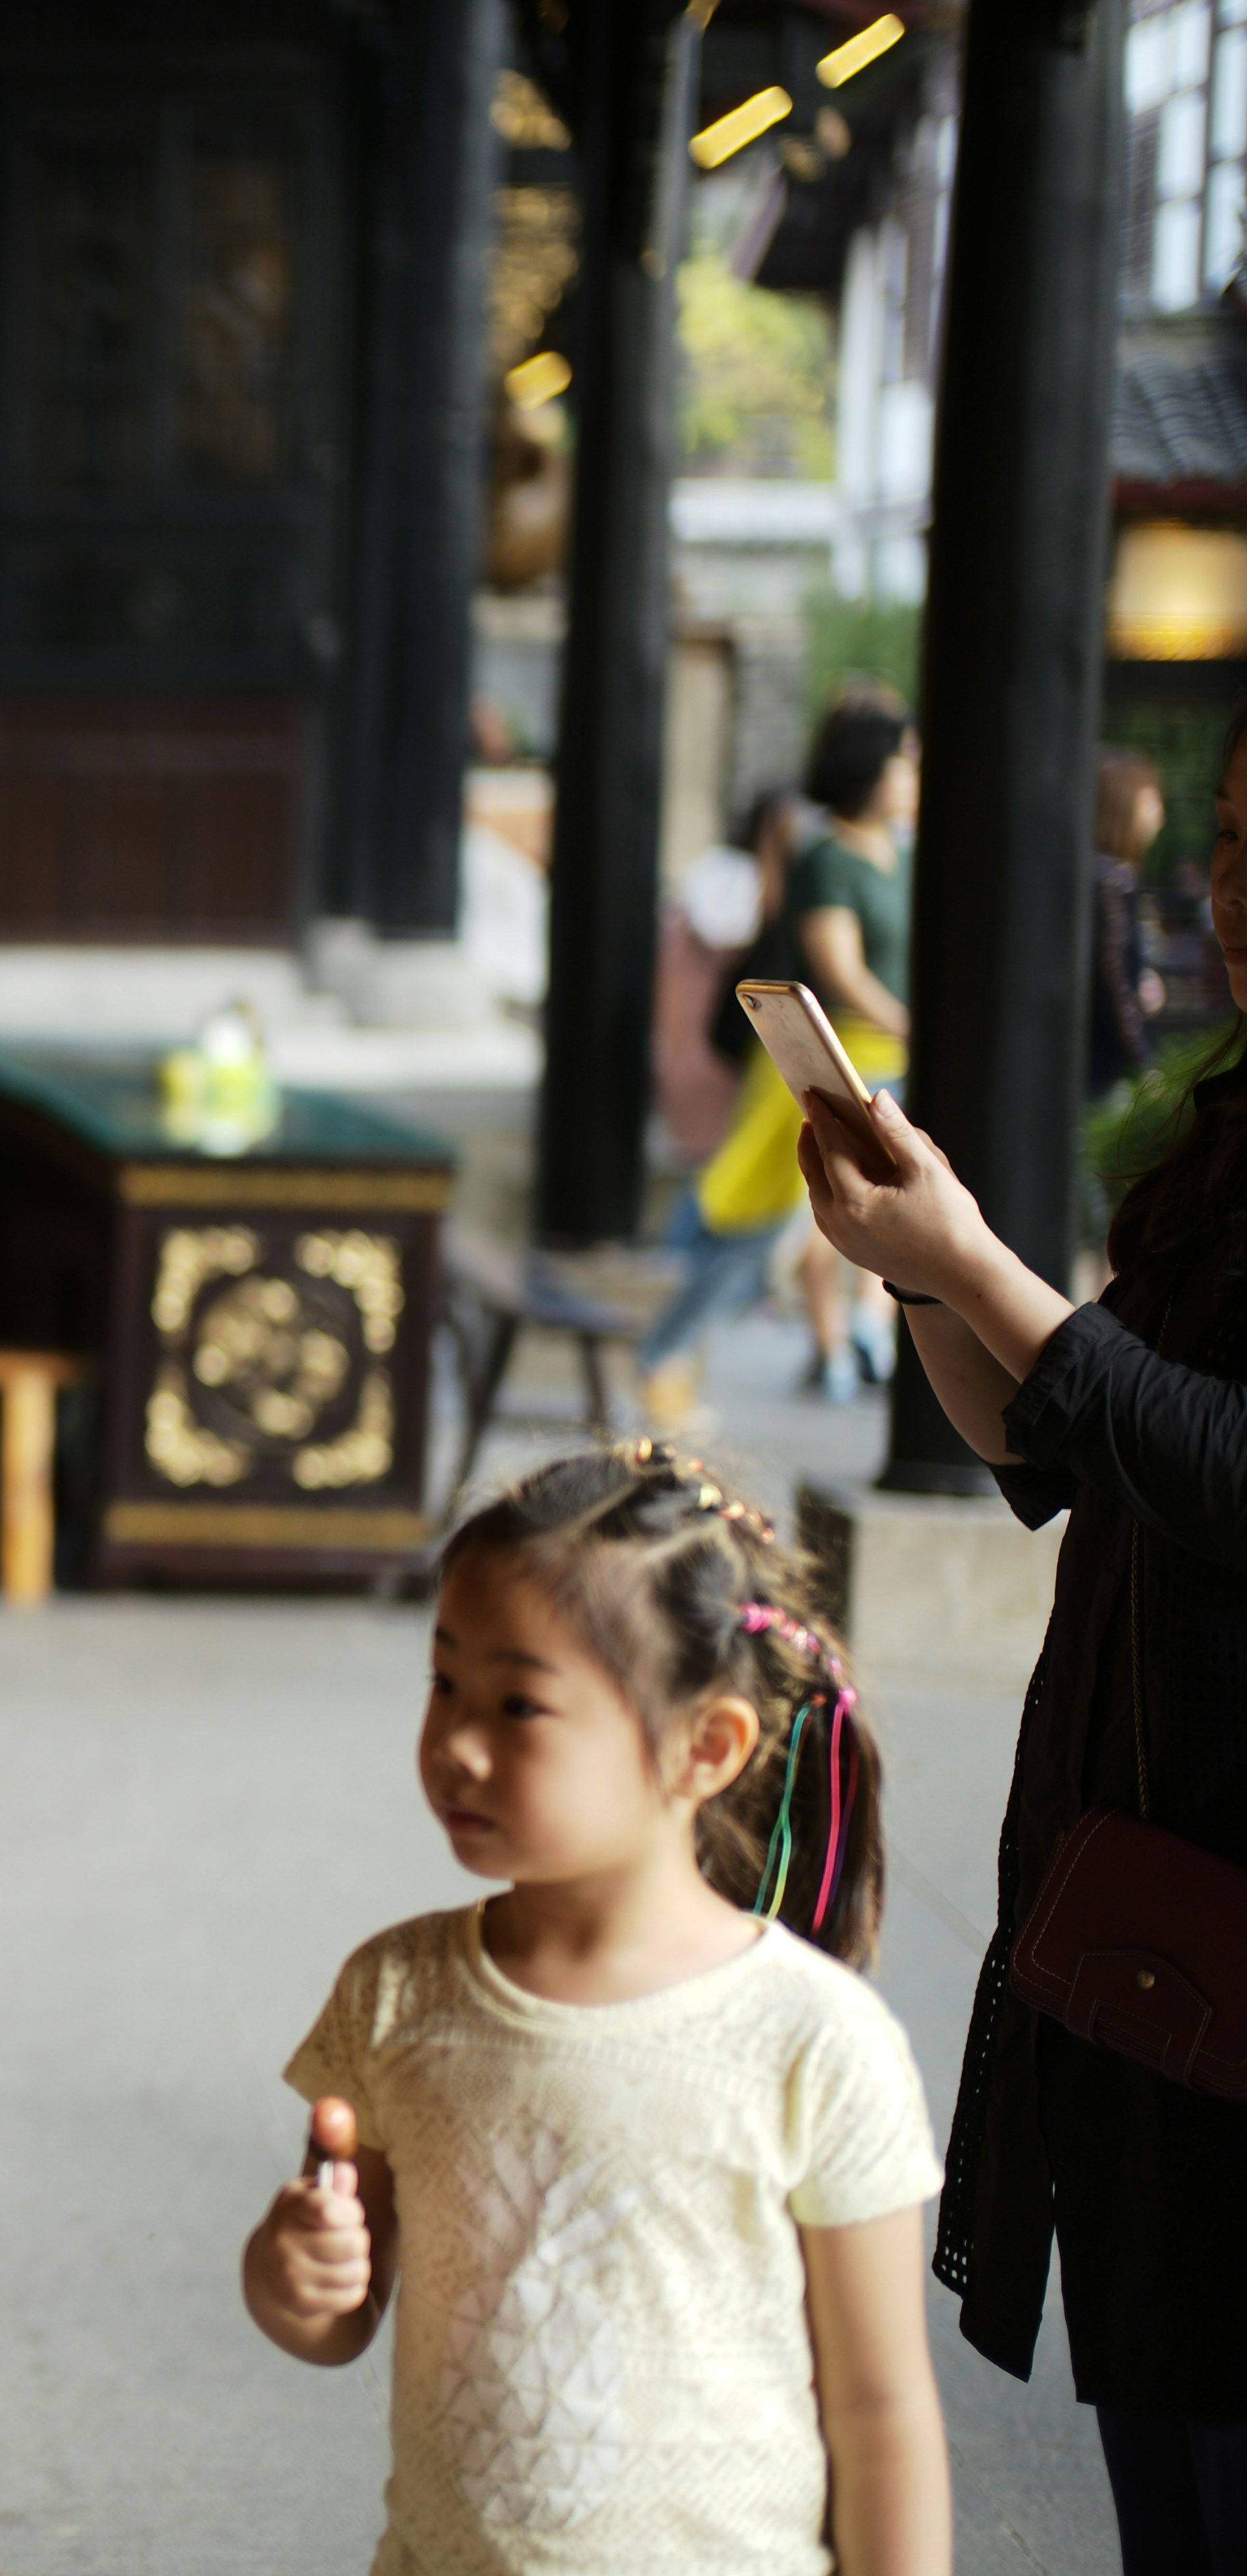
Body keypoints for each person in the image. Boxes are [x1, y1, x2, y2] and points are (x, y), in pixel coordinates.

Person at [796, 701, 1247, 2574]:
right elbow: (1066, 1444)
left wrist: (980, 1258)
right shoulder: (1230, 1126)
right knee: (1167, 2453)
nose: (1234, 888)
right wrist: (917, 1272)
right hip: (1148, 1897)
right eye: (1229, 838)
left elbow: (1220, 1463)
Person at [243, 1441, 951, 2575]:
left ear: (703, 1746)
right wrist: (290, 2269)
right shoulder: (395, 1992)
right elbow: (332, 2321)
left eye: (518, 1702)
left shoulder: (811, 2039)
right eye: (443, 1683)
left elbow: (880, 2408)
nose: (455, 1744)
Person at [641, 703, 920, 1420]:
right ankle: (665, 1356)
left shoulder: (908, 851)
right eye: (903, 759)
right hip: (829, 1066)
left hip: (894, 1067)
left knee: (832, 1228)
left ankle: (859, 1334)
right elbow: (843, 974)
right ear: (870, 769)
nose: (915, 773)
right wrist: (918, 1026)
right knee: (764, 1226)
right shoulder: (827, 858)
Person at [1089, 746, 1172, 1098]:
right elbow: (1115, 984)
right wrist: (1144, 1064)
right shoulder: (1110, 884)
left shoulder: (1111, 879)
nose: (1159, 815)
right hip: (1104, 1074)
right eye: (1153, 800)